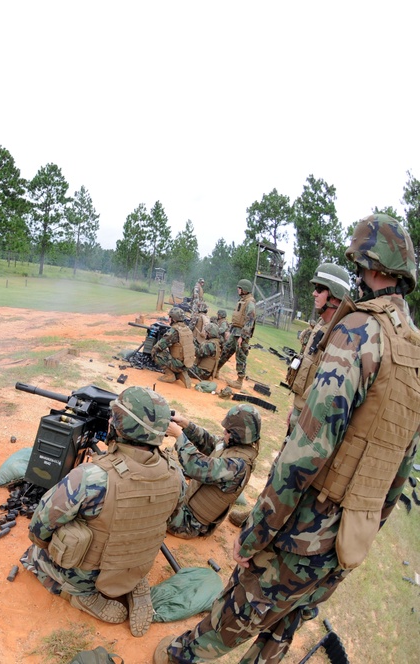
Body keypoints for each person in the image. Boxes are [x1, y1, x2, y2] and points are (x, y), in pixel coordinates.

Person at [154, 213, 420, 664]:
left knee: (240, 610)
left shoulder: (359, 332)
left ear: (368, 265)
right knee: (286, 621)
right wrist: (363, 532)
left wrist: (257, 533)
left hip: (305, 530)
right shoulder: (414, 350)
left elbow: (306, 452)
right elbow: (401, 468)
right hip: (348, 537)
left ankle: (180, 657)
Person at [22, 386, 186, 638]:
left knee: (32, 556)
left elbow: (39, 528)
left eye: (114, 417)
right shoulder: (176, 474)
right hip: (136, 562)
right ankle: (132, 582)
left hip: (89, 573)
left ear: (118, 425)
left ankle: (80, 595)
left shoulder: (92, 476)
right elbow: (171, 519)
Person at [166, 405, 261, 539]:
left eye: (227, 431)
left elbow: (197, 467)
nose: (224, 433)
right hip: (187, 507)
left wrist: (179, 436)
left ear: (238, 436)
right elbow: (209, 441)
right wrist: (185, 424)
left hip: (190, 523)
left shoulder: (238, 465)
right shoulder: (233, 447)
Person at [284, 263, 351, 431]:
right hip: (300, 414)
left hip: (311, 423)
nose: (314, 293)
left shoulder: (340, 336)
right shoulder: (321, 326)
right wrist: (296, 410)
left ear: (335, 295)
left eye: (320, 289)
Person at [216, 279, 257, 390]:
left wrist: (243, 337)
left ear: (244, 289)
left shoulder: (250, 302)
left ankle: (239, 381)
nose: (237, 290)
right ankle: (216, 370)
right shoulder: (242, 300)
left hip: (242, 335)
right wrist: (230, 330)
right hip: (235, 332)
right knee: (226, 351)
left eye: (239, 288)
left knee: (241, 357)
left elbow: (250, 321)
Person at [154, 307, 195, 388]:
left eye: (170, 317)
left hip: (178, 364)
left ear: (174, 319)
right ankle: (182, 373)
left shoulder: (174, 330)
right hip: (187, 363)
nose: (169, 319)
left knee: (155, 352)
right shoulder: (187, 329)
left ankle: (170, 375)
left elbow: (159, 346)